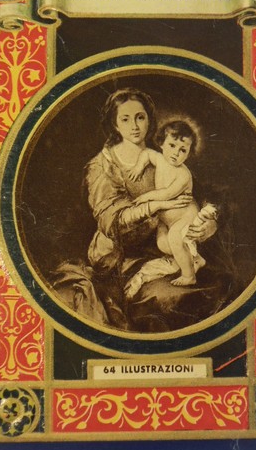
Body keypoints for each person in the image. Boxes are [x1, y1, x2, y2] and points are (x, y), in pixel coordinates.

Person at [84, 88, 218, 328]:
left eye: (140, 117)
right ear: (114, 124)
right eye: (125, 119)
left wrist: (209, 223)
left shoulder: (167, 154)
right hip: (121, 255)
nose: (135, 126)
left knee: (214, 286)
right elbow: (110, 221)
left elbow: (199, 198)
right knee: (169, 299)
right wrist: (156, 205)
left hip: (164, 245)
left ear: (149, 119)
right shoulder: (102, 166)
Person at [127, 119, 217, 286]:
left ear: (188, 153)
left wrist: (147, 196)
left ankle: (189, 275)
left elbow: (167, 194)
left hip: (185, 216)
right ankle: (196, 258)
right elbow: (146, 153)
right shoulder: (159, 158)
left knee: (175, 239)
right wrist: (139, 166)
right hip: (166, 219)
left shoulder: (183, 175)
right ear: (161, 143)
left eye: (183, 150)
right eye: (172, 145)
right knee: (162, 244)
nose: (176, 153)